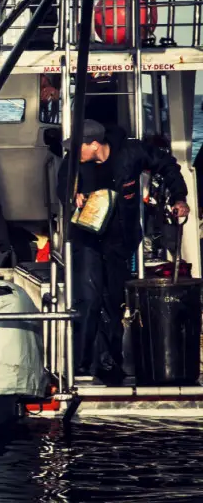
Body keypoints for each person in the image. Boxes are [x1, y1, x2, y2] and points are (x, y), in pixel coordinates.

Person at [57, 119, 190, 384]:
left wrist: (179, 198)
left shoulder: (131, 152)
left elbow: (167, 165)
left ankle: (110, 362)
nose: (73, 152)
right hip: (88, 240)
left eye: (78, 147)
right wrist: (72, 196)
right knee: (89, 298)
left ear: (94, 145)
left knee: (114, 301)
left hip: (120, 240)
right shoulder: (72, 163)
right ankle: (81, 364)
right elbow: (63, 186)